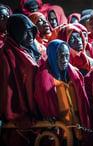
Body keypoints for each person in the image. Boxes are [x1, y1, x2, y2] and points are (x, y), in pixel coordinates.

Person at [34, 39, 90, 146]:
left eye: (66, 56)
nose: (64, 60)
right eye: (60, 56)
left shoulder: (75, 74)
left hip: (78, 130)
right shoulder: (43, 78)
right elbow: (40, 106)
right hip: (59, 133)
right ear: (51, 56)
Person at [0, 14, 42, 146]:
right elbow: (6, 86)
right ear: (16, 32)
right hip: (18, 113)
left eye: (32, 32)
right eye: (25, 33)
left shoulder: (33, 49)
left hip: (36, 106)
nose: (30, 37)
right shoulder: (5, 54)